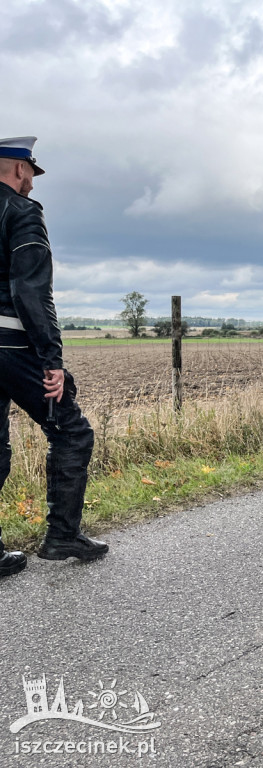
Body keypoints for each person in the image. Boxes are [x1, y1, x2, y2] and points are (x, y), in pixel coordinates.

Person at [0, 136, 107, 573]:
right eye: (31, 175)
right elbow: (30, 289)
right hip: (11, 344)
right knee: (71, 431)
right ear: (20, 169)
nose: (31, 185)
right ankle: (62, 536)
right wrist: (52, 359)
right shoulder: (23, 212)